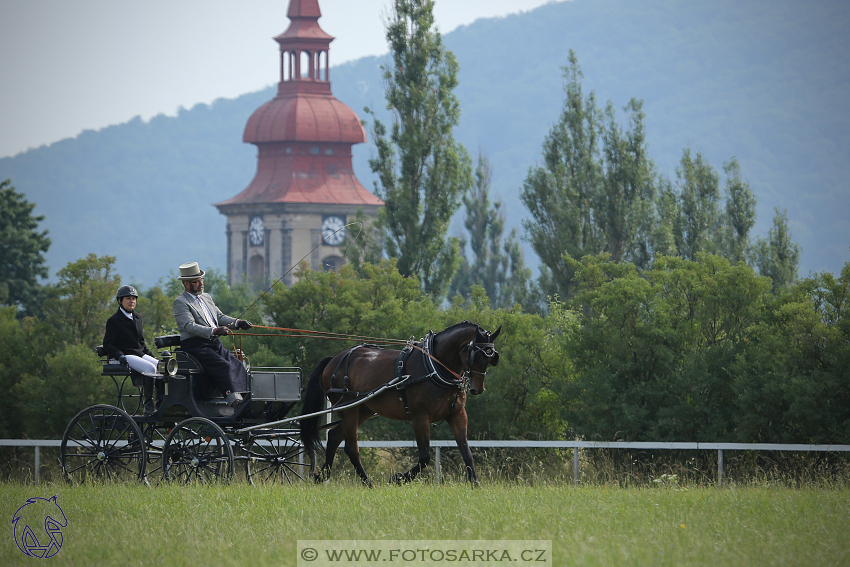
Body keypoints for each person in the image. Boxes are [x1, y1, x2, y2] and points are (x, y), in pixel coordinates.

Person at [172, 262, 252, 407]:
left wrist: (238, 323)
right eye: (196, 282)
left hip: (213, 344)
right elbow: (188, 326)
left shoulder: (206, 297)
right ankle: (235, 402)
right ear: (186, 284)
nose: (200, 284)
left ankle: (247, 398)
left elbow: (219, 317)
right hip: (195, 346)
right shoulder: (181, 302)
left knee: (237, 364)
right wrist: (214, 331)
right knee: (224, 366)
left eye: (201, 280)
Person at [103, 285, 163, 416]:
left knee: (161, 367)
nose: (132, 301)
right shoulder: (114, 320)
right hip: (123, 355)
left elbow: (141, 342)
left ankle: (161, 404)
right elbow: (108, 344)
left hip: (137, 353)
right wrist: (119, 356)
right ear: (120, 301)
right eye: (128, 298)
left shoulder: (137, 317)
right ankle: (148, 406)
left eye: (134, 299)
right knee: (150, 369)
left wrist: (154, 357)